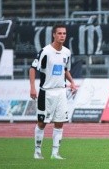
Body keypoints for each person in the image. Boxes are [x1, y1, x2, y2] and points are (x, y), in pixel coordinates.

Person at [29, 24, 78, 160]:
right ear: (54, 35)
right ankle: (37, 151)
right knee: (42, 122)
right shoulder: (45, 51)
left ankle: (55, 153)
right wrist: (32, 87)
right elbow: (32, 68)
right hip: (46, 92)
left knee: (60, 122)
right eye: (60, 33)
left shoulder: (66, 52)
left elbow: (65, 69)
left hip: (61, 91)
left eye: (64, 33)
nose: (62, 36)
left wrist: (72, 83)